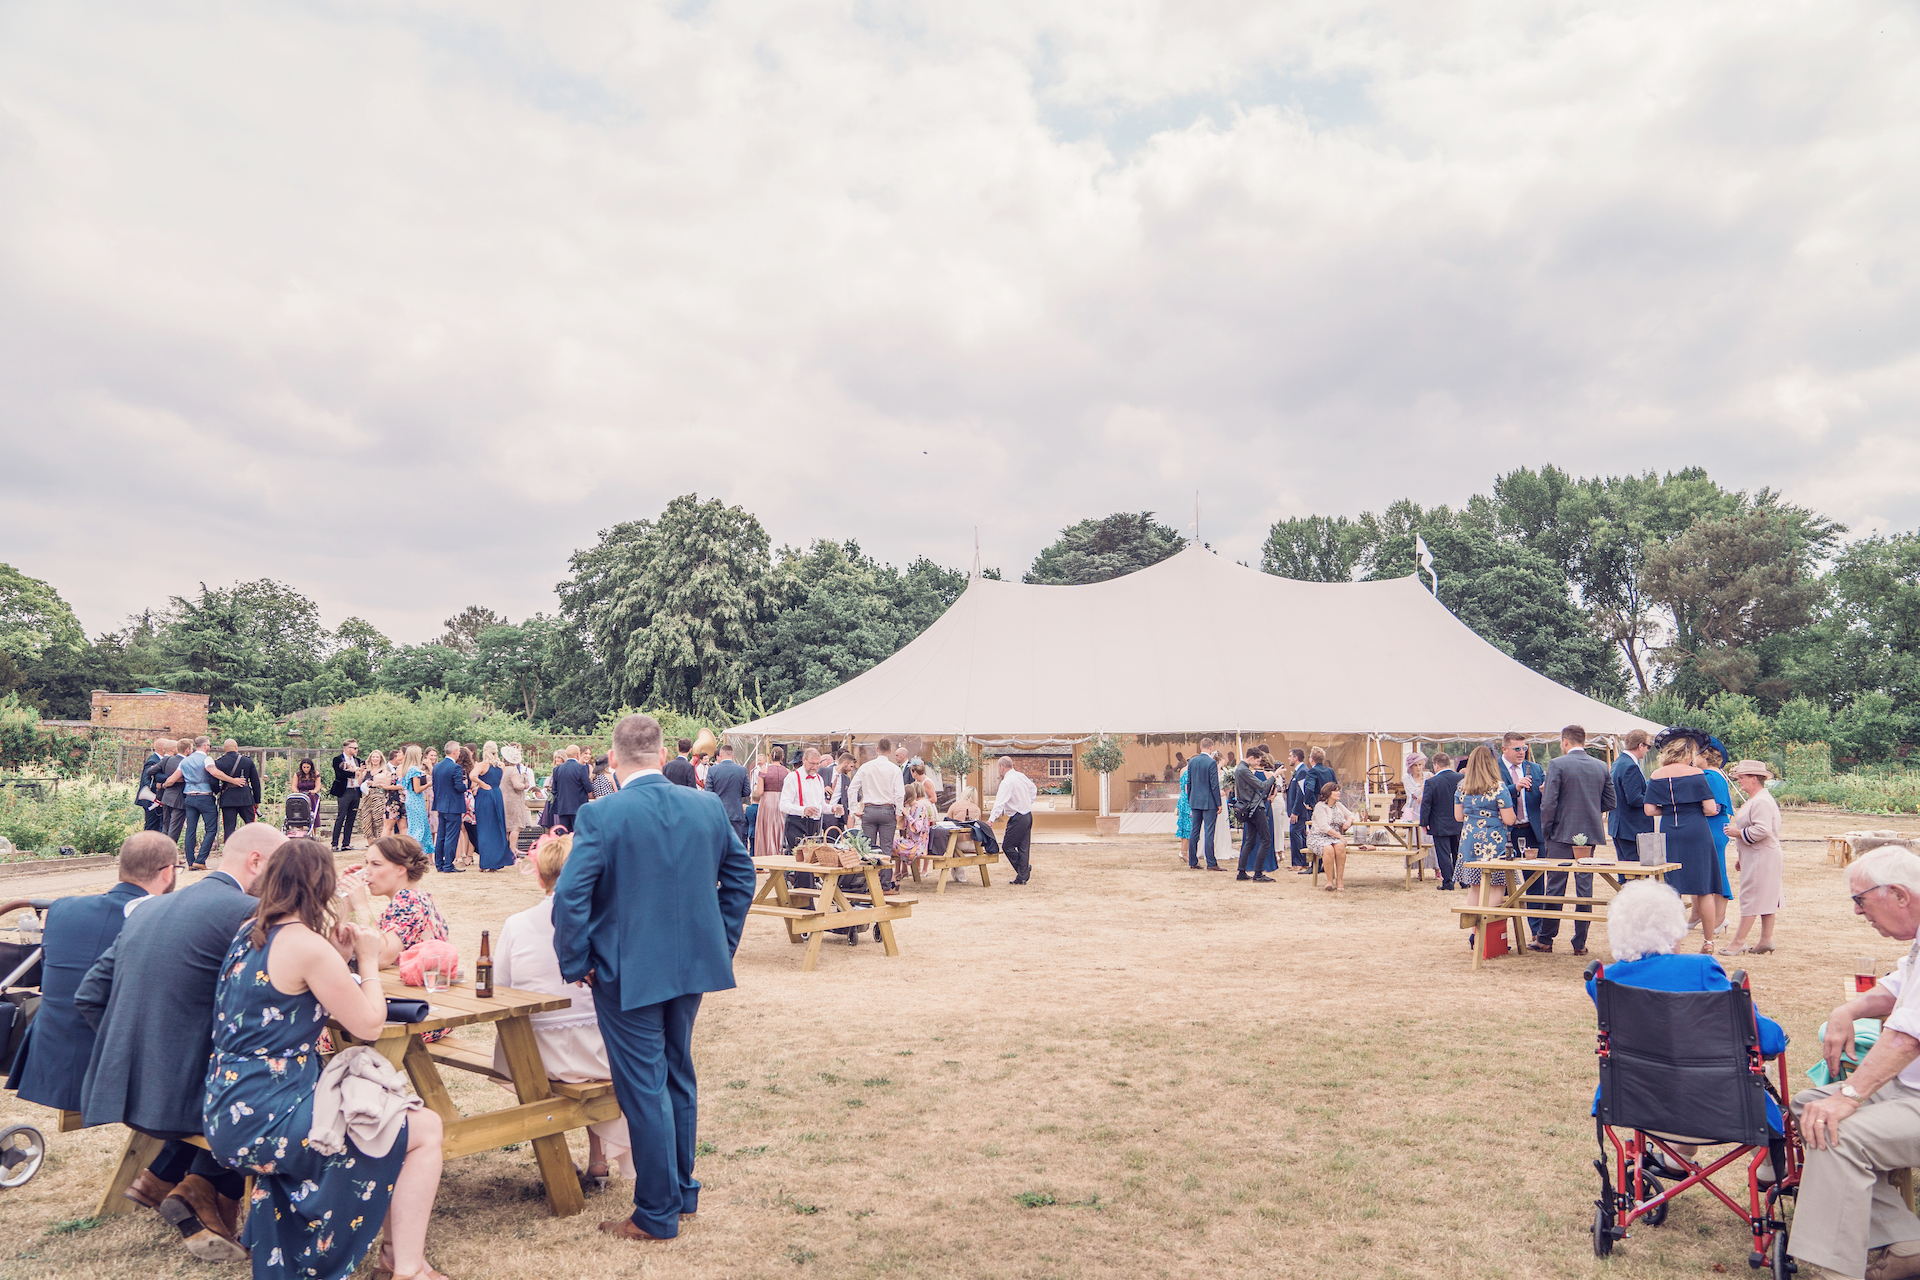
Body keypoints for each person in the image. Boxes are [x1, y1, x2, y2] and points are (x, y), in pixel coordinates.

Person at [202, 839, 448, 1280]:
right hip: (272, 1115)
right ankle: (406, 1268)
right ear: (321, 887)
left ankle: (396, 1260)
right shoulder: (305, 945)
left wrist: (339, 955)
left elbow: (297, 998)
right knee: (425, 1128)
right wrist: (367, 962)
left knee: (384, 1116)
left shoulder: (251, 932)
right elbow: (370, 1025)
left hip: (229, 1107)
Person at [553, 712, 755, 1243]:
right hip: (689, 967)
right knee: (677, 1075)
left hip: (626, 973)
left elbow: (570, 898)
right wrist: (720, 943)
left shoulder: (601, 815)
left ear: (612, 759)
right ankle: (681, 1191)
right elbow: (741, 878)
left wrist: (578, 962)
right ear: (664, 757)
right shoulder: (706, 805)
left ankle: (657, 1212)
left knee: (645, 1087)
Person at [74, 822, 281, 1261]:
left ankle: (164, 1176)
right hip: (184, 1102)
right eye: (279, 868)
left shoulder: (146, 908)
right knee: (284, 1084)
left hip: (125, 1092)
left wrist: (134, 1052)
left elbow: (89, 995)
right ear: (256, 861)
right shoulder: (246, 912)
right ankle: (200, 1187)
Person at [1584, 880, 1788, 1172]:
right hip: (1717, 1104)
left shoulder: (1602, 982)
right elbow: (1766, 1040)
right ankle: (1769, 1171)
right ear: (1673, 928)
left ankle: (1677, 1158)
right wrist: (1776, 1033)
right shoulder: (1700, 969)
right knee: (1752, 1068)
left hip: (1637, 1101)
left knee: (1678, 1066)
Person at [1792, 847, 1920, 1280]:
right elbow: (1896, 988)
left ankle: (1833, 1271)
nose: (1856, 912)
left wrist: (1849, 1096)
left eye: (1860, 899)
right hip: (1910, 1089)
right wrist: (1847, 1011)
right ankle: (1905, 1245)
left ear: (1899, 895)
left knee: (1836, 1130)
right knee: (1808, 1106)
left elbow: (1906, 1037)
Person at [491, 833, 631, 1187]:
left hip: (534, 1056)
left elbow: (500, 987)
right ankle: (598, 1158)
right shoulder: (605, 922)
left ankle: (566, 1156)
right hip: (598, 1054)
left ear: (540, 877)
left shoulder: (516, 924)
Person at [8, 832, 176, 1114]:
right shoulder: (161, 920)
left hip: (49, 1059)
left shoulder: (62, 909)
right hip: (117, 1068)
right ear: (169, 871)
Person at [1531, 724, 1616, 956]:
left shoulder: (1557, 764)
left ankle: (1546, 939)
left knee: (1555, 886)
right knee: (1584, 888)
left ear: (1564, 742)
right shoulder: (1601, 766)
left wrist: (1546, 829)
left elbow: (1549, 804)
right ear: (1584, 741)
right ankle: (1580, 943)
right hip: (1589, 833)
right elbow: (1610, 802)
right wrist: (1589, 809)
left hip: (1560, 832)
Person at [1643, 727, 1725, 954]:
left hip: (1670, 830)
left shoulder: (1656, 775)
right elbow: (1710, 808)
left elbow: (1649, 810)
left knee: (1673, 889)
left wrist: (1667, 811)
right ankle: (1708, 942)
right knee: (1704, 888)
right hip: (1696, 830)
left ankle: (1674, 943)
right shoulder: (1696, 775)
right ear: (1688, 752)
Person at [1453, 746, 1517, 925]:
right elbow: (1509, 819)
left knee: (1475, 887)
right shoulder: (1499, 787)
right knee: (1496, 887)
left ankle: (1474, 932)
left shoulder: (1462, 786)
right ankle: (1487, 934)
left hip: (1469, 840)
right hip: (1493, 842)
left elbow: (1458, 817)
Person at [1726, 760, 1784, 954]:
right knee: (1767, 897)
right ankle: (1766, 940)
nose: (1739, 781)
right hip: (1759, 855)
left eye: (1741, 777)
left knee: (1751, 897)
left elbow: (1763, 829)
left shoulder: (1761, 801)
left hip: (1763, 856)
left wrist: (1738, 833)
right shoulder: (1758, 799)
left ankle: (1738, 942)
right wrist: (1742, 856)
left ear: (1754, 778)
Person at [1699, 738, 1738, 933]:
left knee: (1718, 873)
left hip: (1713, 828)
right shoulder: (1714, 775)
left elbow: (1713, 808)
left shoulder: (1710, 777)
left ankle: (1720, 918)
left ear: (1705, 756)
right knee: (1711, 872)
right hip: (1714, 828)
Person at [991, 755, 1037, 885]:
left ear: (1002, 767)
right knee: (1024, 847)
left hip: (1017, 817)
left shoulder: (1007, 782)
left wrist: (991, 819)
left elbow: (999, 802)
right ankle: (1022, 877)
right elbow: (1033, 789)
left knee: (1007, 846)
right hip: (1027, 815)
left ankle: (1024, 871)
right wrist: (1028, 802)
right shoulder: (1021, 776)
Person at [1608, 730, 1654, 860]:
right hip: (1631, 828)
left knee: (1626, 873)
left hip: (1620, 826)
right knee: (1635, 875)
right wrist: (1655, 800)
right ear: (1640, 746)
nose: (1647, 750)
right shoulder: (1630, 766)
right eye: (1648, 746)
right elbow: (1634, 799)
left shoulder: (1619, 762)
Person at [855, 739, 905, 858]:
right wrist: (898, 811)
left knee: (868, 849)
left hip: (869, 809)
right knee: (886, 849)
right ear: (890, 751)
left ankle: (870, 876)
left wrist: (853, 809)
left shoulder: (865, 767)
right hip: (887, 810)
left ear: (877, 749)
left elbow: (852, 788)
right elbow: (899, 794)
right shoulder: (895, 769)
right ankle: (886, 877)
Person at [1420, 751, 1463, 889]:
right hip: (1459, 821)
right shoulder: (1462, 778)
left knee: (1443, 853)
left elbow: (1427, 804)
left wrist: (1424, 822)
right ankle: (1463, 880)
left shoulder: (1431, 782)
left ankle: (1448, 882)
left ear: (1436, 765)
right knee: (1459, 852)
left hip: (1439, 823)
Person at [1233, 749, 1276, 883]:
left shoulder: (1239, 769)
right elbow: (1262, 785)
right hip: (1255, 808)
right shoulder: (1244, 770)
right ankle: (1258, 873)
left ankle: (1241, 871)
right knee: (1266, 839)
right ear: (1251, 758)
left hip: (1247, 808)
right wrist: (1275, 776)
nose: (1258, 763)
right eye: (1257, 760)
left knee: (1250, 840)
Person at [1306, 780, 1356, 891]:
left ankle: (1340, 881)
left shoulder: (1338, 805)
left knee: (1340, 846)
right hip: (1318, 836)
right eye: (1335, 791)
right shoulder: (1320, 806)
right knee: (1328, 849)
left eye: (1338, 791)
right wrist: (1340, 836)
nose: (1338, 793)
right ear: (1328, 793)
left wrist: (1348, 822)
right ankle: (1329, 881)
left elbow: (1351, 814)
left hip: (1333, 837)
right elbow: (1324, 827)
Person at [473, 741, 512, 871]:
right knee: (497, 827)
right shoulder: (501, 765)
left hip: (485, 795)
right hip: (496, 793)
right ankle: (495, 861)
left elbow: (472, 776)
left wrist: (481, 784)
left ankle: (485, 863)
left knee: (484, 828)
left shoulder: (482, 765)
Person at [430, 739, 468, 874]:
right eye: (458, 750)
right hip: (453, 806)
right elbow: (459, 787)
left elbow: (435, 786)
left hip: (441, 804)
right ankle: (448, 865)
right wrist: (466, 785)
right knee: (451, 836)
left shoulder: (437, 767)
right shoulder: (455, 767)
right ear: (455, 752)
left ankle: (439, 864)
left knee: (441, 835)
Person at [1184, 738, 1223, 870]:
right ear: (1211, 748)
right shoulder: (1211, 762)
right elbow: (1214, 784)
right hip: (1208, 802)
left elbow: (1188, 783)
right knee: (1209, 832)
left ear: (1200, 747)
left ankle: (1193, 861)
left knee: (1194, 831)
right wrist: (1219, 803)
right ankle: (1211, 863)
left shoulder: (1193, 761)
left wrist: (1190, 798)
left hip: (1195, 801)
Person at [780, 747, 828, 851]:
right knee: (799, 858)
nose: (815, 767)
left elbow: (822, 805)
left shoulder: (819, 779)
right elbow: (783, 805)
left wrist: (833, 809)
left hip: (815, 825)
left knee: (812, 859)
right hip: (797, 823)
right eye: (812, 763)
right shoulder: (793, 777)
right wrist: (803, 810)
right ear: (804, 760)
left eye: (817, 764)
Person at [705, 744, 751, 846]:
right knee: (736, 844)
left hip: (718, 813)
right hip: (735, 812)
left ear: (720, 754)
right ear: (732, 755)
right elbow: (747, 791)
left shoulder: (712, 770)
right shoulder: (741, 770)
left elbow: (708, 793)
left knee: (718, 844)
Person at [893, 780, 935, 879]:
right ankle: (896, 873)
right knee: (887, 843)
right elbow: (904, 827)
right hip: (911, 842)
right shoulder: (911, 808)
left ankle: (894, 874)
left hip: (917, 845)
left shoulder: (919, 808)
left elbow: (917, 828)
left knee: (890, 844)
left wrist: (907, 815)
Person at [753, 747, 789, 859]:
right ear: (782, 757)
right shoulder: (788, 772)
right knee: (781, 826)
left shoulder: (763, 772)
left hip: (768, 801)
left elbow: (759, 792)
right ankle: (780, 851)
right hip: (783, 800)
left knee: (768, 828)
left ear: (770, 757)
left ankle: (769, 853)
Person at [330, 739, 364, 851]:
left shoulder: (357, 760)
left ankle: (346, 843)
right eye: (354, 748)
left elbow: (362, 773)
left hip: (355, 790)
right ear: (347, 748)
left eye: (357, 748)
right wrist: (355, 773)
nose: (356, 750)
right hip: (344, 791)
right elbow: (340, 774)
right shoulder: (338, 759)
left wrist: (358, 773)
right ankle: (334, 843)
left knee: (351, 817)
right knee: (341, 816)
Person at [1401, 751, 1431, 874]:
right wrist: (1425, 786)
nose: (1418, 768)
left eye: (1420, 764)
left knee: (1429, 838)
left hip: (1427, 808)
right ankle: (1419, 868)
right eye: (1415, 765)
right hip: (1413, 809)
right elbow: (1413, 792)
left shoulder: (1429, 774)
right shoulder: (1406, 778)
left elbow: (1433, 790)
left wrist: (1423, 795)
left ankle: (1437, 869)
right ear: (1410, 767)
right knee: (1415, 839)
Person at [551, 745, 592, 833]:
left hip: (562, 807)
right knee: (578, 834)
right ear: (578, 754)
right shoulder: (581, 768)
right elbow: (588, 788)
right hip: (578, 807)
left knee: (563, 834)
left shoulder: (557, 769)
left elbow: (554, 790)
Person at [155, 737, 188, 843]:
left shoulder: (166, 760)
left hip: (167, 797)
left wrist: (164, 781)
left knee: (166, 827)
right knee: (174, 829)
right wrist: (173, 779)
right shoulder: (185, 761)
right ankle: (169, 855)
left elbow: (150, 771)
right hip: (179, 799)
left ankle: (163, 853)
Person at [358, 749, 394, 847]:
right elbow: (359, 782)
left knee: (378, 822)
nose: (375, 759)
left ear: (381, 759)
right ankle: (370, 847)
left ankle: (380, 846)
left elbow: (388, 783)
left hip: (378, 796)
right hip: (366, 797)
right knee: (366, 822)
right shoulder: (367, 771)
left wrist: (373, 783)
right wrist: (361, 772)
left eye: (377, 757)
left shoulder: (384, 771)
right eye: (373, 757)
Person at [1284, 748, 1311, 871]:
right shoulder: (1299, 771)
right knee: (1300, 835)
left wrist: (1295, 811)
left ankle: (1297, 863)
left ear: (1296, 758)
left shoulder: (1302, 771)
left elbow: (1301, 793)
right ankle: (1304, 862)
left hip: (1299, 812)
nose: (1288, 758)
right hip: (1298, 811)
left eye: (1290, 756)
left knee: (1295, 834)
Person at [499, 743, 532, 839]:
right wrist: (525, 785)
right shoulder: (513, 770)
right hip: (513, 801)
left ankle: (506, 849)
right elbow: (517, 785)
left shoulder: (503, 770)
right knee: (515, 827)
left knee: (506, 826)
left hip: (503, 798)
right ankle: (513, 849)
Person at [400, 744, 431, 846]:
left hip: (409, 799)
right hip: (416, 800)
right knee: (419, 827)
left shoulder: (407, 769)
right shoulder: (415, 770)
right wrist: (429, 784)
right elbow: (417, 789)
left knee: (413, 826)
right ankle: (415, 848)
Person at [138, 737, 169, 831]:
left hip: (155, 799)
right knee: (151, 827)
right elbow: (146, 780)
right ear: (163, 748)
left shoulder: (158, 760)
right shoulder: (153, 761)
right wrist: (157, 785)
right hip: (151, 799)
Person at [293, 757, 323, 831]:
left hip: (312, 796)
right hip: (301, 796)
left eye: (307, 767)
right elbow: (294, 786)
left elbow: (318, 785)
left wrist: (315, 790)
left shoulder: (316, 774)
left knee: (313, 814)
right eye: (304, 767)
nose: (306, 769)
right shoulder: (297, 775)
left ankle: (313, 832)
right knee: (299, 813)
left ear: (311, 767)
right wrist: (296, 791)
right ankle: (300, 831)